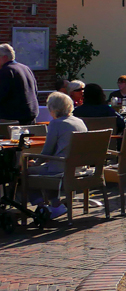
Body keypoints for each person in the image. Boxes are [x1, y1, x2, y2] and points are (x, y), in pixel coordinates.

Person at [24, 91, 87, 219]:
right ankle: (55, 204)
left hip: (62, 169)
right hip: (79, 168)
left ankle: (41, 205)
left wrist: (34, 162)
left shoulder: (56, 123)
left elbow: (47, 151)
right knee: (48, 167)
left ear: (53, 108)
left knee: (24, 173)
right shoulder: (79, 121)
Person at [0, 43, 38, 124]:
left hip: (13, 119)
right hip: (31, 115)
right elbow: (35, 91)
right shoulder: (25, 68)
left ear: (4, 57)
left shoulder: (6, 71)